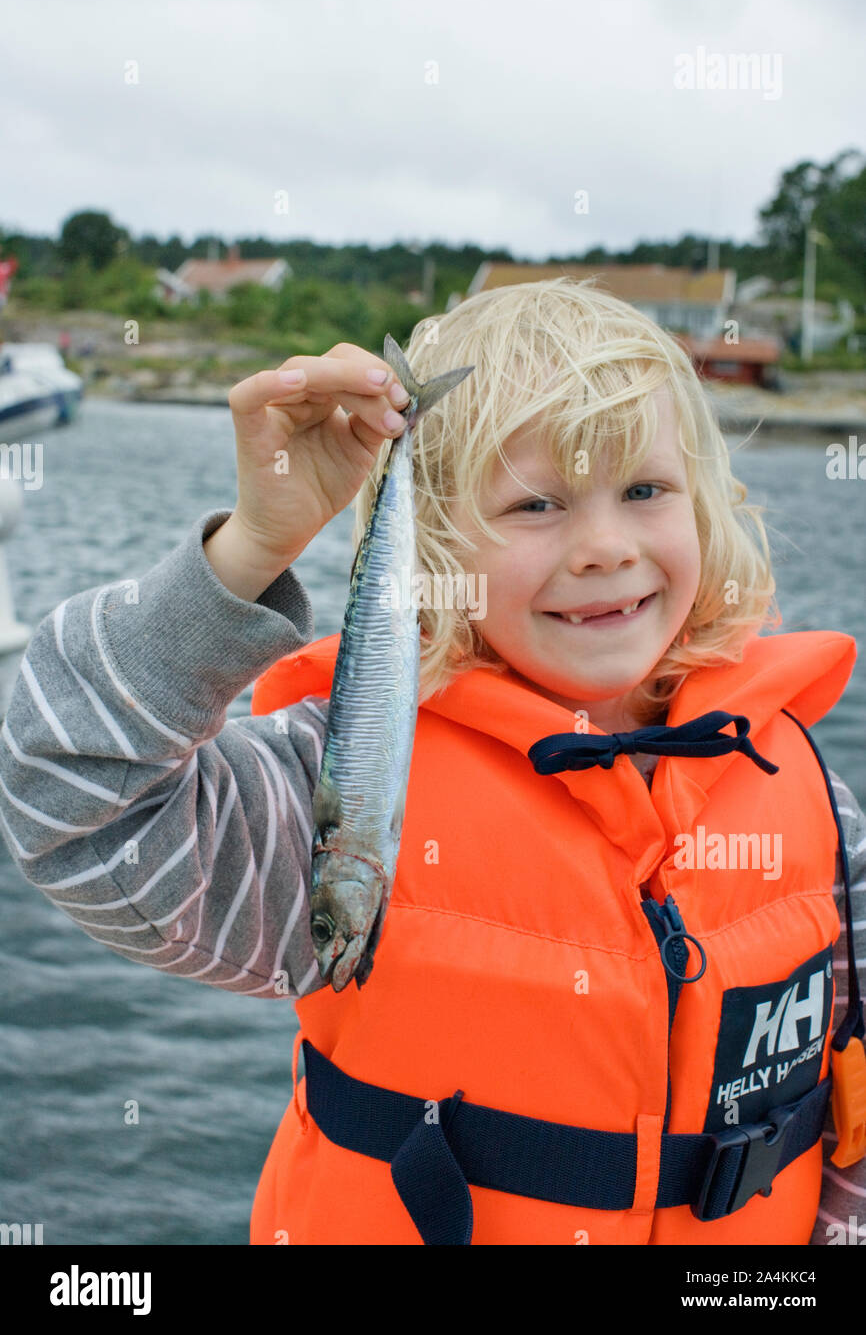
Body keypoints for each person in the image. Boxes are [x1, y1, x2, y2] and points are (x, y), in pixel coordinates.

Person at [1, 277, 864, 1245]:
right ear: (437, 546)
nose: (602, 547)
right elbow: (73, 797)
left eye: (644, 490)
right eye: (535, 504)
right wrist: (252, 545)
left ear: (704, 509)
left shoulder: (816, 805)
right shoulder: (320, 793)